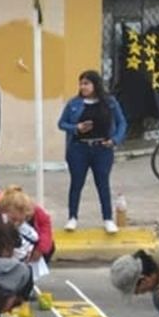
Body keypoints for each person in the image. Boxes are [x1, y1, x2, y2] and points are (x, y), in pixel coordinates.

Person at [57, 70, 127, 233]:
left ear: (95, 84)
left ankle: (107, 219)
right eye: (81, 84)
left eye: (86, 83)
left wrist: (115, 139)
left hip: (102, 148)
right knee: (76, 183)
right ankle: (72, 217)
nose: (83, 87)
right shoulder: (74, 103)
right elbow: (61, 123)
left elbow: (122, 122)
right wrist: (76, 127)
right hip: (78, 148)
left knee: (102, 183)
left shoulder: (109, 102)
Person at [0, 186, 55, 271]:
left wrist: (40, 249)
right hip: (0, 242)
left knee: (49, 246)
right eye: (13, 219)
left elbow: (45, 224)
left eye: (21, 220)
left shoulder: (28, 207)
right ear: (3, 211)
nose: (16, 224)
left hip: (21, 242)